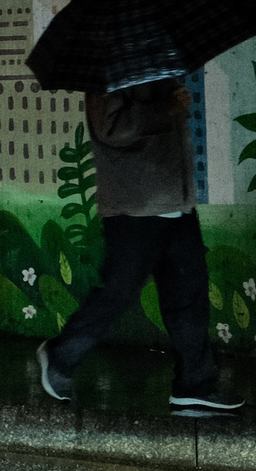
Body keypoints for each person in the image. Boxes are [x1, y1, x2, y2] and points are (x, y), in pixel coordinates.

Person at [39, 77, 240, 413]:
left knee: (189, 291)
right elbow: (109, 126)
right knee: (120, 289)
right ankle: (60, 356)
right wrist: (168, 107)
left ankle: (195, 383)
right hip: (136, 204)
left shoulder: (154, 62)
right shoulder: (110, 67)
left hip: (175, 198)